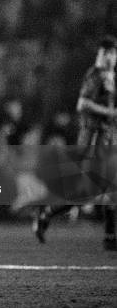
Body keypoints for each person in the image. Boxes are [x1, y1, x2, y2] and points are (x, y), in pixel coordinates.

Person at [33, 36, 117, 250]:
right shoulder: (95, 75)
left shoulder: (110, 77)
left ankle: (109, 236)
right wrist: (108, 112)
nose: (113, 57)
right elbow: (82, 103)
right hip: (92, 138)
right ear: (105, 53)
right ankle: (47, 214)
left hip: (105, 139)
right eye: (112, 53)